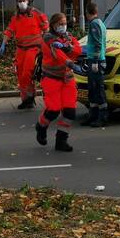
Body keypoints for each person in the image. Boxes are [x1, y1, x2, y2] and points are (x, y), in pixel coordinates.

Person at [35, 13, 82, 152]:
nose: (63, 26)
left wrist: (69, 48)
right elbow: (57, 54)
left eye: (65, 22)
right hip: (51, 79)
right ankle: (41, 126)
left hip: (67, 79)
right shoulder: (48, 39)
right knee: (53, 110)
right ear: (53, 25)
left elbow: (77, 50)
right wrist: (70, 62)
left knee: (70, 112)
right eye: (60, 23)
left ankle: (61, 140)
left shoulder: (67, 37)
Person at [0, 0, 48, 108]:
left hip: (34, 48)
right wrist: (4, 43)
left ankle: (30, 98)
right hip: (20, 49)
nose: (22, 3)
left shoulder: (36, 13)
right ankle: (26, 99)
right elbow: (9, 31)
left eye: (23, 0)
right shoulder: (16, 17)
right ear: (17, 3)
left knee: (27, 72)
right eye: (19, 1)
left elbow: (46, 27)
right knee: (20, 74)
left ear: (28, 2)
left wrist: (46, 43)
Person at [81, 1, 109, 127]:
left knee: (97, 89)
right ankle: (93, 115)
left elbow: (97, 44)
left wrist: (96, 61)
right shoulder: (100, 23)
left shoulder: (94, 24)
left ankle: (102, 117)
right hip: (96, 59)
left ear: (87, 13)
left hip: (96, 61)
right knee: (93, 89)